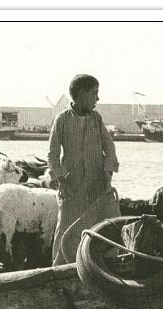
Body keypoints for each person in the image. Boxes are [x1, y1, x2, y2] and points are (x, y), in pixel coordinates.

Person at [48, 74, 119, 265]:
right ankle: (59, 270)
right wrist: (62, 181)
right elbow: (52, 155)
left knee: (109, 226)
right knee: (66, 231)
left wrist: (108, 173)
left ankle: (105, 266)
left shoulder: (96, 119)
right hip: (72, 189)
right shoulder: (61, 120)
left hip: (98, 187)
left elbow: (109, 147)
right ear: (81, 94)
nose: (97, 98)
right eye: (94, 93)